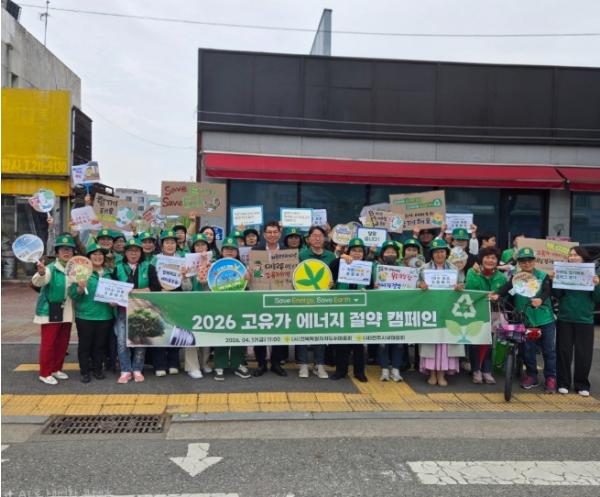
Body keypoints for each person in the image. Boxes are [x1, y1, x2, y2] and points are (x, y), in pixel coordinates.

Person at [491, 247, 557, 393]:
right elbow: (506, 288)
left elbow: (547, 290)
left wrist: (541, 299)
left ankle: (551, 378)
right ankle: (532, 375)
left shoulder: (543, 276)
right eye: (523, 261)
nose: (527, 263)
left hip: (544, 318)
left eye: (529, 260)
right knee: (528, 350)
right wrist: (497, 295)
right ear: (519, 263)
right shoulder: (516, 277)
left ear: (534, 261)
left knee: (549, 350)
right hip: (525, 318)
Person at [113, 238, 161, 384]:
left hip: (142, 310)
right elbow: (112, 288)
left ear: (141, 252)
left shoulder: (149, 267)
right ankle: (125, 370)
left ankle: (137, 369)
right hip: (123, 310)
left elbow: (155, 287)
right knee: (122, 341)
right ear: (125, 253)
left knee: (140, 340)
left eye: (136, 250)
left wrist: (134, 291)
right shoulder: (118, 268)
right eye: (130, 250)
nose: (133, 253)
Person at [553, 246, 600, 396]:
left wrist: (597, 285)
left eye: (576, 255)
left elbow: (597, 299)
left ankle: (582, 384)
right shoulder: (563, 271)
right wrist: (555, 280)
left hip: (585, 319)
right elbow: (557, 295)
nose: (572, 257)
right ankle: (563, 382)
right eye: (570, 255)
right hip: (565, 317)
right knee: (563, 351)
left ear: (583, 258)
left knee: (584, 354)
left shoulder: (593, 274)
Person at [418, 238, 465, 386]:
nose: (439, 254)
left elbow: (463, 285)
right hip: (430, 310)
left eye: (442, 251)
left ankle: (442, 374)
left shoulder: (455, 269)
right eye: (436, 252)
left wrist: (459, 287)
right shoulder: (423, 269)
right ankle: (432, 373)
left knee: (446, 342)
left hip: (449, 310)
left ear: (447, 253)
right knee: (431, 341)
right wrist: (420, 285)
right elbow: (415, 285)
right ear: (432, 254)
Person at [32, 234, 77, 385]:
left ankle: (56, 368)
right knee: (49, 343)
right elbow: (38, 281)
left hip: (67, 310)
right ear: (57, 252)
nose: (66, 252)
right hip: (50, 310)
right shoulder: (50, 268)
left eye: (69, 249)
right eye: (63, 249)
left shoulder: (74, 269)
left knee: (63, 343)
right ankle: (45, 373)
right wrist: (41, 272)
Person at [69, 243, 114, 383]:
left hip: (105, 315)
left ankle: (97, 369)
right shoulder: (81, 272)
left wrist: (114, 302)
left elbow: (115, 292)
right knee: (85, 345)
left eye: (101, 254)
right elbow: (73, 295)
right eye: (94, 254)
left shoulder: (109, 273)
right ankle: (84, 371)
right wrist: (80, 289)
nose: (98, 257)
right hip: (85, 316)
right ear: (88, 257)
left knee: (100, 346)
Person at [208, 237, 252, 380]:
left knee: (238, 335)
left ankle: (237, 364)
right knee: (221, 334)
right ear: (222, 251)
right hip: (219, 305)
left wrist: (250, 278)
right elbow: (208, 284)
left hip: (239, 304)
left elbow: (260, 277)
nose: (229, 251)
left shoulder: (243, 266)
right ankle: (219, 365)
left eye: (233, 249)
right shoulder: (213, 265)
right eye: (227, 249)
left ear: (237, 252)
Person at [296, 226, 336, 379]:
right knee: (303, 331)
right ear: (308, 239)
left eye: (320, 235)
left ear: (324, 238)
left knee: (320, 331)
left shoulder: (331, 256)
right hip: (303, 299)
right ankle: (303, 364)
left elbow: (335, 277)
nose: (317, 238)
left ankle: (319, 364)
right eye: (314, 235)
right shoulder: (301, 255)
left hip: (323, 300)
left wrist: (333, 283)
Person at [328, 238, 370, 382]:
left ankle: (359, 372)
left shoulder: (368, 267)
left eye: (360, 251)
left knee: (359, 343)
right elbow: (330, 269)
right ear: (348, 251)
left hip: (360, 310)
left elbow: (372, 286)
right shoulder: (340, 264)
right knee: (342, 342)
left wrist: (373, 286)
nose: (357, 253)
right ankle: (341, 371)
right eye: (354, 250)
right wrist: (341, 258)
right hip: (342, 308)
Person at [465, 246, 507, 384]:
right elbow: (470, 289)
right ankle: (476, 370)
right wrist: (477, 275)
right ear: (481, 259)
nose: (490, 260)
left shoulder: (501, 277)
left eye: (493, 258)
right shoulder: (472, 272)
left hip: (494, 312)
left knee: (490, 342)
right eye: (487, 257)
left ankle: (487, 371)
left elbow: (504, 295)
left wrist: (497, 297)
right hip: (476, 311)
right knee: (475, 341)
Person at [253, 222, 288, 377]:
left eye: (275, 232)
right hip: (260, 295)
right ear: (264, 234)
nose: (272, 235)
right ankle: (261, 363)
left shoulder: (287, 252)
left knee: (279, 329)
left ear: (279, 233)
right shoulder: (256, 250)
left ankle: (276, 363)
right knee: (260, 330)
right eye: (269, 232)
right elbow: (256, 274)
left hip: (280, 296)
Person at [182, 233, 213, 379]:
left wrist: (206, 282)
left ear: (208, 246)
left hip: (207, 303)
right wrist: (184, 277)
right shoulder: (188, 263)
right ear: (193, 248)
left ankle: (204, 362)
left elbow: (217, 286)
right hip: (190, 304)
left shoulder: (213, 263)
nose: (200, 248)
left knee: (206, 334)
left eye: (203, 245)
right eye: (197, 245)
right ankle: (192, 367)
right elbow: (186, 288)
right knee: (190, 335)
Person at [152, 230, 183, 377]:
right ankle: (159, 364)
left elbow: (187, 286)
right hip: (159, 299)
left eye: (173, 242)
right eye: (167, 242)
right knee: (159, 331)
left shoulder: (182, 260)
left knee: (175, 330)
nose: (170, 245)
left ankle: (173, 363)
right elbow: (151, 279)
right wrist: (160, 289)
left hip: (177, 300)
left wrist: (185, 277)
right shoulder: (155, 260)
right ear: (162, 244)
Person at [374, 240, 404, 382]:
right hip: (382, 309)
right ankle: (384, 369)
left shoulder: (404, 269)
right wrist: (374, 285)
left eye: (393, 252)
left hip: (399, 309)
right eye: (387, 252)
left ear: (397, 254)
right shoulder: (376, 268)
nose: (390, 254)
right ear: (382, 254)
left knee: (399, 342)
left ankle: (396, 369)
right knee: (383, 342)